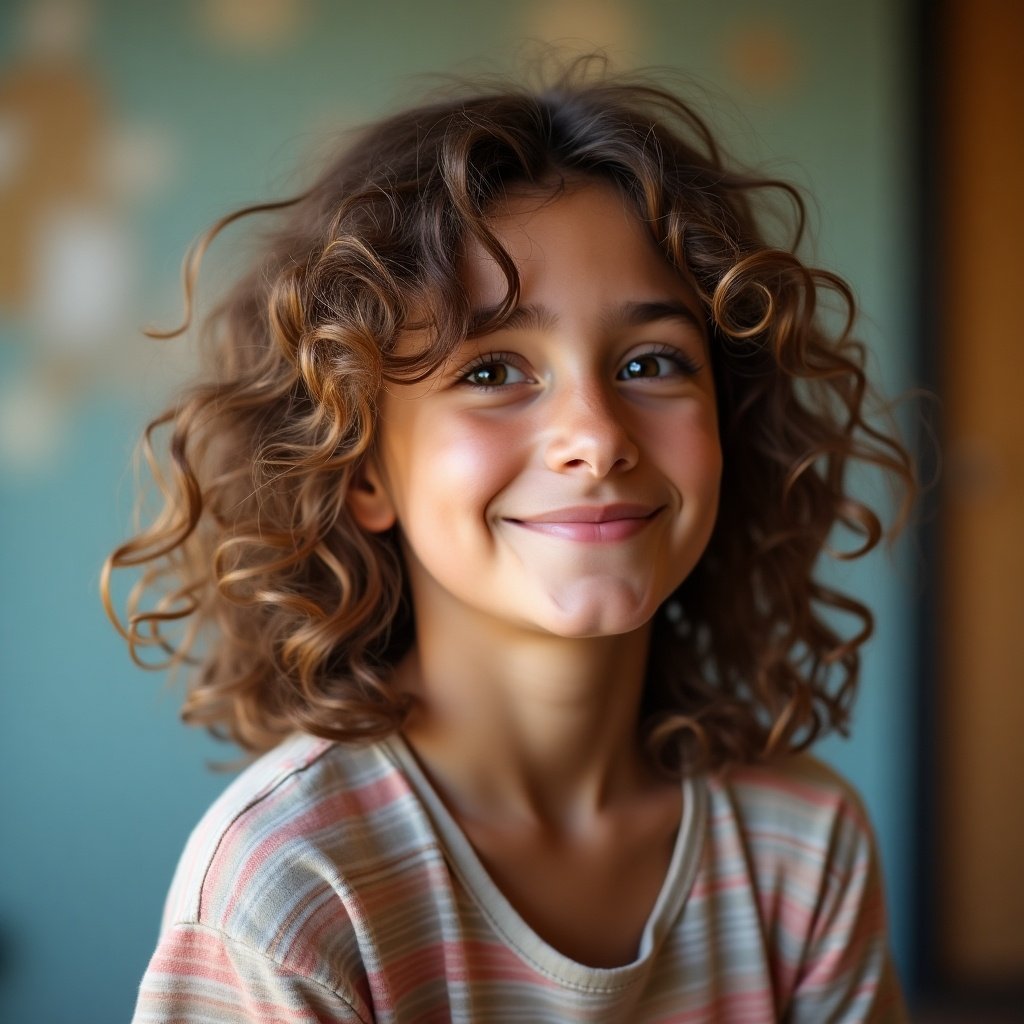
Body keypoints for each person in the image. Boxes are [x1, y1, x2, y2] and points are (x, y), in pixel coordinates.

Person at [105, 58, 915, 1023]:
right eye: (492, 371)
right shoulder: (288, 888)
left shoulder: (804, 846)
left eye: (651, 362)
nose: (598, 437)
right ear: (361, 468)